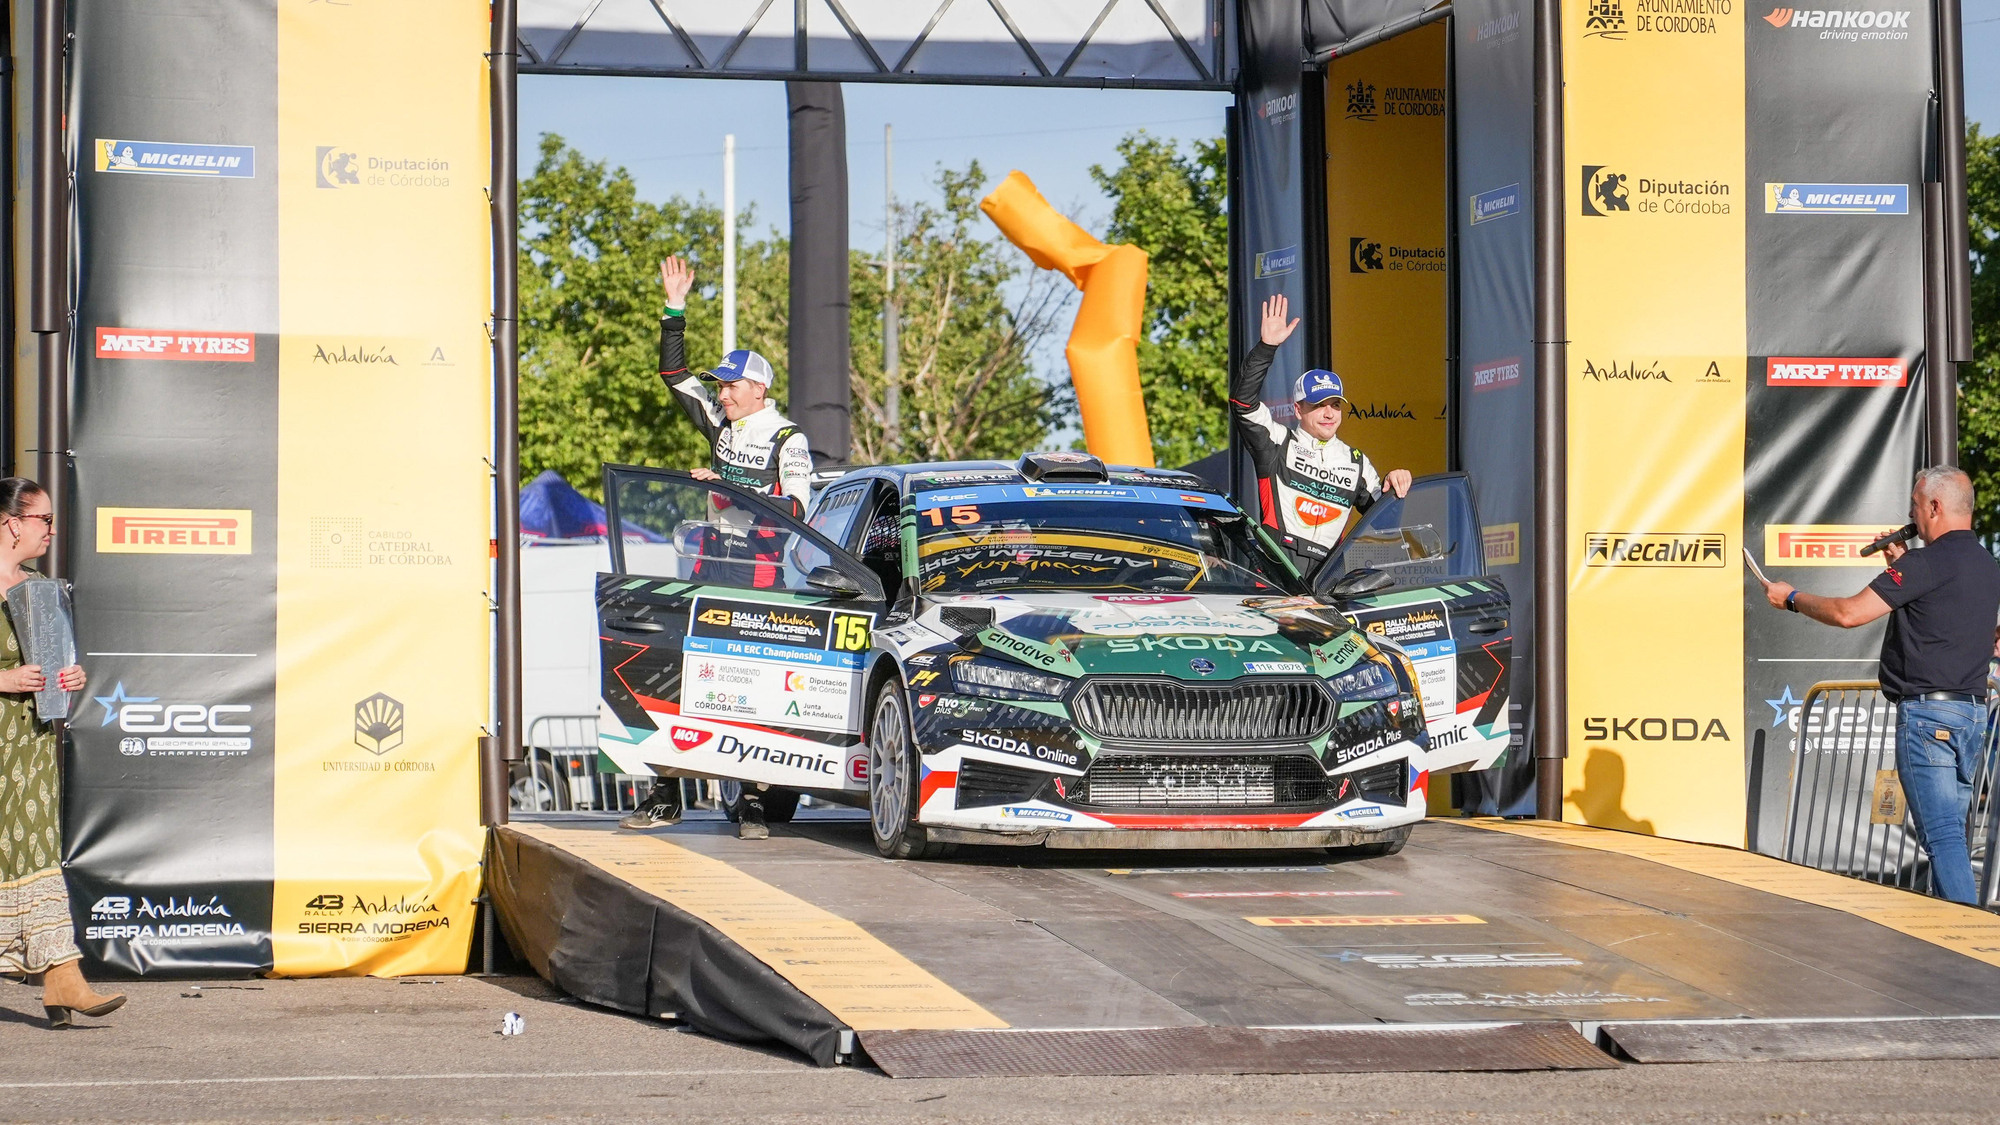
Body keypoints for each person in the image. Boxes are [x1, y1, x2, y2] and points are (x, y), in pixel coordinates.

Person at [621, 256, 811, 839]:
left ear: (758, 389)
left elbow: (798, 511)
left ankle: (752, 801)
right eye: (720, 386)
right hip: (706, 569)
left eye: (730, 385)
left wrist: (729, 486)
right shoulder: (720, 425)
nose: (720, 393)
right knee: (675, 674)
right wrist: (673, 309)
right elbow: (674, 376)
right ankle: (664, 794)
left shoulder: (787, 438)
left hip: (759, 577)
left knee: (751, 688)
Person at [1756, 467, 2000, 905]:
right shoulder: (1986, 564)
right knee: (1951, 836)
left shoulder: (1927, 563)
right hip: (1970, 715)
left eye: (1914, 506)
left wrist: (1792, 598)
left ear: (1935, 507)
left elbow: (1850, 613)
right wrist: (1903, 567)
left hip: (1928, 717)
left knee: (1943, 837)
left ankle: (1967, 936)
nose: (1912, 514)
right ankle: (1949, 937)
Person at [0, 478, 119, 1026]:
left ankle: (61, 977)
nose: (51, 529)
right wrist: (5, 680)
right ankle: (60, 979)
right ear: (11, 523)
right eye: (43, 519)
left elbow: (54, 663)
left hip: (32, 749)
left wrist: (69, 675)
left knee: (37, 855)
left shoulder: (41, 589)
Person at [1230, 293, 1413, 569]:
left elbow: (1385, 520)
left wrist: (1395, 483)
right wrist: (1266, 347)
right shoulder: (1278, 442)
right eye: (1318, 405)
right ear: (1298, 410)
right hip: (1277, 566)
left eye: (1336, 405)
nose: (1329, 413)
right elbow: (1242, 403)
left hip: (1325, 576)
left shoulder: (1357, 462)